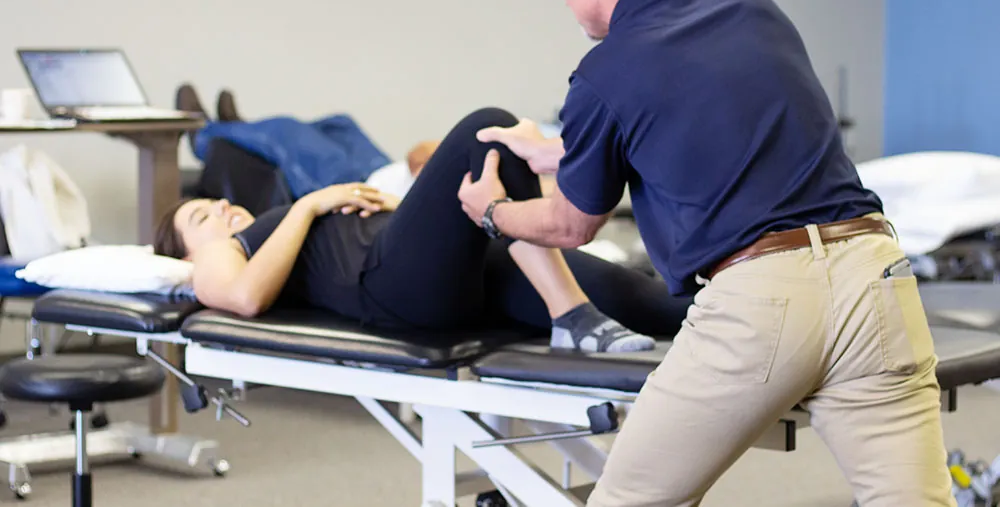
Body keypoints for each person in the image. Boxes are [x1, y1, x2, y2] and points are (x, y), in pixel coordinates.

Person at [457, 0, 954, 506]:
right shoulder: (752, 9)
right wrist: (561, 152)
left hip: (763, 302)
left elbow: (571, 224)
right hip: (876, 277)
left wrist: (494, 212)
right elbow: (704, 133)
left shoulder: (605, 71)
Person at [155, 106, 693, 352]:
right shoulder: (217, 259)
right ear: (185, 253)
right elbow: (245, 298)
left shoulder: (276, 227)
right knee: (482, 130)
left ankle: (741, 297)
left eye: (214, 201)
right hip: (393, 287)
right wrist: (309, 206)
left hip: (468, 270)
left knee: (655, 305)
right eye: (200, 216)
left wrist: (402, 207)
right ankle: (572, 316)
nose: (221, 207)